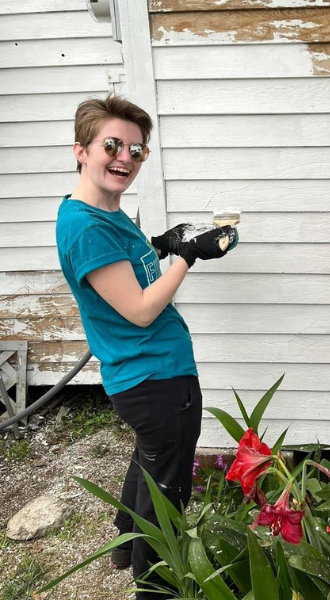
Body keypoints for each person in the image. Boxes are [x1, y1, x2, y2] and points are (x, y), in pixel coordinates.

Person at [55, 95, 238, 598]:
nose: (126, 158)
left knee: (151, 459)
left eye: (137, 150)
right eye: (112, 145)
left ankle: (123, 543)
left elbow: (121, 264)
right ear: (81, 150)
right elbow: (138, 308)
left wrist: (159, 244)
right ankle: (156, 585)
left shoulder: (96, 212)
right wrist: (189, 256)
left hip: (144, 373)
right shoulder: (88, 227)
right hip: (154, 376)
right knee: (169, 486)